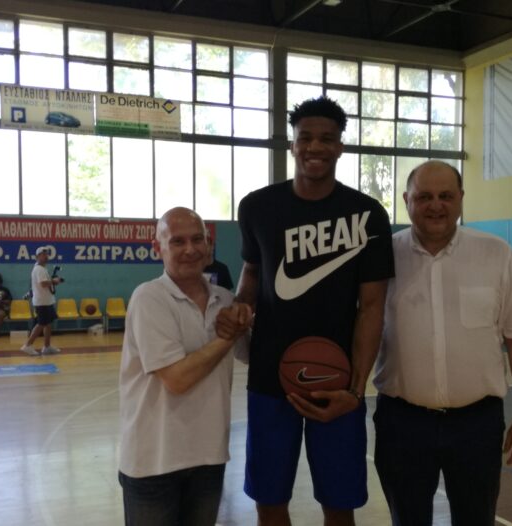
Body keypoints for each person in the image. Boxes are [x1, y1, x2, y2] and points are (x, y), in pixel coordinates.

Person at [216, 96, 395, 526]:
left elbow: (372, 308)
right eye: (306, 138)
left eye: (327, 139)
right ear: (293, 145)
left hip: (337, 381)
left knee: (339, 503)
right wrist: (241, 306)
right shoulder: (257, 207)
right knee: (269, 499)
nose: (315, 147)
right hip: (269, 377)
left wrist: (355, 391)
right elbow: (252, 272)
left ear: (340, 147)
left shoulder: (367, 215)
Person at [373, 160, 512, 526]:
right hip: (401, 424)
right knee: (407, 520)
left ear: (461, 198)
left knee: (476, 520)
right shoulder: (381, 257)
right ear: (406, 200)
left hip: (477, 426)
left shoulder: (497, 254)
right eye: (424, 197)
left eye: (446, 196)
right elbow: (361, 331)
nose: (436, 205)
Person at [118, 207, 251, 526]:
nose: (190, 249)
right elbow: (178, 378)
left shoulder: (225, 300)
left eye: (197, 239)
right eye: (177, 241)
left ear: (209, 245)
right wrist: (228, 336)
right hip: (154, 463)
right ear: (158, 248)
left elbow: (249, 355)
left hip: (209, 457)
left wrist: (248, 317)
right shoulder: (149, 298)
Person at [20, 247, 62, 356]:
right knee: (41, 323)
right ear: (37, 257)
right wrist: (54, 281)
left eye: (47, 254)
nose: (46, 256)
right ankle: (27, 345)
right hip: (42, 302)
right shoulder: (39, 269)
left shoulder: (43, 269)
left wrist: (52, 282)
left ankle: (47, 346)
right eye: (43, 254)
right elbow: (43, 283)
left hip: (47, 301)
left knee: (48, 323)